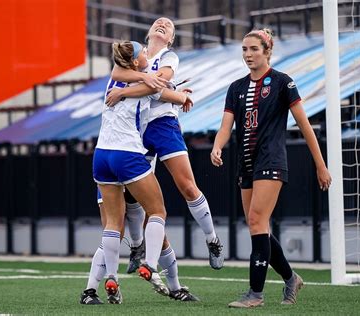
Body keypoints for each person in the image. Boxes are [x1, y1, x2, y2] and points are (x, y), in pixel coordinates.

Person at [210, 28, 332, 308]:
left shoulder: (282, 83)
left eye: (253, 49)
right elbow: (225, 127)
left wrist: (320, 165)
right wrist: (217, 146)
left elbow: (304, 125)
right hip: (246, 163)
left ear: (267, 51)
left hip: (272, 161)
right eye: (244, 49)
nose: (248, 54)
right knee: (258, 226)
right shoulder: (236, 88)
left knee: (256, 221)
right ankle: (291, 278)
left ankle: (255, 294)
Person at [106, 17, 224, 270]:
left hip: (162, 124)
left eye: (169, 25)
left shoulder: (169, 57)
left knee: (187, 186)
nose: (162, 24)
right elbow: (117, 72)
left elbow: (156, 87)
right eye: (158, 22)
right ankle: (137, 245)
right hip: (136, 129)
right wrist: (176, 94)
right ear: (148, 32)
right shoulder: (136, 52)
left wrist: (126, 90)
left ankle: (212, 239)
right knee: (132, 195)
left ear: (170, 39)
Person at [88, 40, 193, 304]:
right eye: (144, 52)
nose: (148, 54)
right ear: (135, 61)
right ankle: (150, 263)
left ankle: (110, 278)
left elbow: (119, 74)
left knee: (113, 223)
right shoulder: (148, 82)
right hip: (127, 154)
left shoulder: (116, 80)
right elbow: (166, 92)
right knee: (157, 211)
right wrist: (181, 95)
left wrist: (168, 88)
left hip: (101, 155)